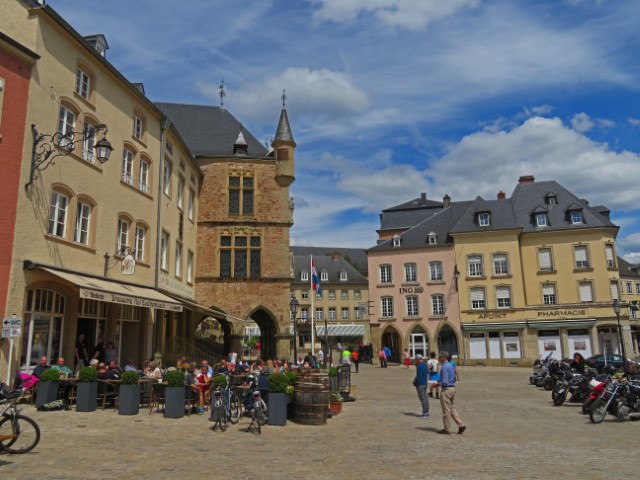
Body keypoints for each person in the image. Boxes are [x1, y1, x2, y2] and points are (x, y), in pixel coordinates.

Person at [435, 351, 466, 435]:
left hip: (446, 390)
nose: (439, 358)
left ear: (444, 357)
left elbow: (444, 381)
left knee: (446, 410)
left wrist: (437, 384)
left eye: (440, 357)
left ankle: (447, 429)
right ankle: (461, 424)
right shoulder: (451, 365)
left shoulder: (444, 367)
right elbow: (452, 378)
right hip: (452, 388)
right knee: (452, 408)